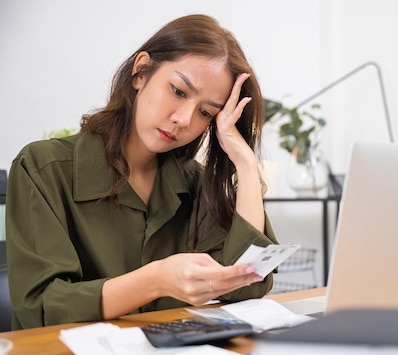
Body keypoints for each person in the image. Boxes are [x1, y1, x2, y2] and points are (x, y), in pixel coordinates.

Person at [5, 14, 278, 330]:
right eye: (178, 91)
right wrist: (157, 280)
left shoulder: (195, 183)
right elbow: (41, 308)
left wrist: (244, 163)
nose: (184, 119)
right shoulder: (43, 169)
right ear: (141, 70)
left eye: (206, 112)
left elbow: (247, 285)